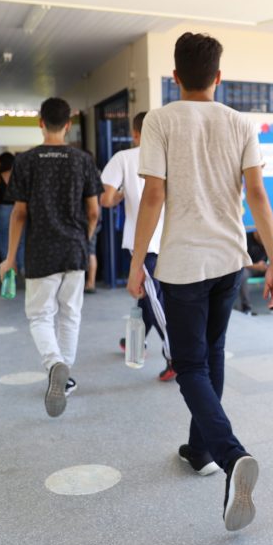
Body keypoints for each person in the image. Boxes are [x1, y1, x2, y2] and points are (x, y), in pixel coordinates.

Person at [128, 32, 273, 532]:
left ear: (174, 77)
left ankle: (229, 451)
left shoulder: (160, 120)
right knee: (213, 353)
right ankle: (200, 451)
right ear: (218, 77)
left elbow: (153, 195)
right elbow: (257, 194)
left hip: (183, 264)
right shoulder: (240, 122)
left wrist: (137, 261)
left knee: (190, 365)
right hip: (230, 260)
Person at [0, 98, 101, 418]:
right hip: (74, 249)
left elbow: (18, 214)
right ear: (68, 124)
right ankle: (65, 377)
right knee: (70, 315)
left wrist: (9, 258)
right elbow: (94, 211)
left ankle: (54, 364)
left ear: (40, 122)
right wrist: (82, 242)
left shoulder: (26, 161)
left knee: (40, 316)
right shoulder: (82, 160)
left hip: (41, 250)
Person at [101, 111, 175, 382]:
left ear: (135, 134)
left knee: (156, 302)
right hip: (171, 240)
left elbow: (106, 199)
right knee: (149, 296)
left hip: (143, 242)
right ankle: (134, 340)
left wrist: (123, 195)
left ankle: (174, 356)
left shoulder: (124, 157)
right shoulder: (170, 157)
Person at [238, 229, 273, 316]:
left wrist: (272, 265)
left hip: (263, 268)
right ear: (258, 232)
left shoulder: (269, 240)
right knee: (242, 274)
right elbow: (238, 261)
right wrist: (255, 266)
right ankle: (246, 307)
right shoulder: (244, 238)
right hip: (247, 268)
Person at [0, 152, 25, 273]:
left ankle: (9, 270)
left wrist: (0, 202)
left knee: (3, 241)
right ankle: (20, 266)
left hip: (3, 210)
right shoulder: (20, 176)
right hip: (19, 208)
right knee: (21, 239)